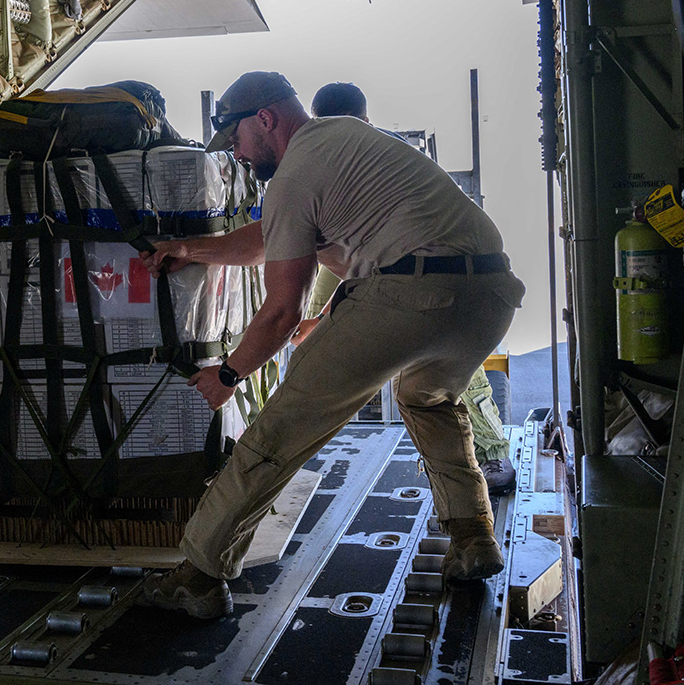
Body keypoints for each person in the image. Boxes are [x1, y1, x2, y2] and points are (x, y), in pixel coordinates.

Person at [138, 72, 525, 619]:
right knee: (428, 399)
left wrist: (228, 375)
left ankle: (200, 573)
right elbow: (270, 239)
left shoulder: (294, 174)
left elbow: (282, 313)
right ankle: (473, 536)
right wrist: (190, 249)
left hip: (411, 292)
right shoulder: (346, 142)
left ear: (265, 119)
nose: (238, 154)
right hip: (489, 296)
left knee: (282, 428)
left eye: (238, 139)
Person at [308, 81, 516, 494]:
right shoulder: (324, 161)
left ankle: (490, 451)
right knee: (313, 335)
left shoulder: (389, 155)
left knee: (444, 354)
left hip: (415, 261)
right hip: (352, 253)